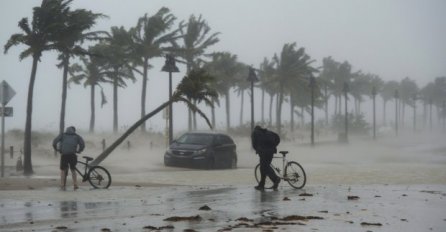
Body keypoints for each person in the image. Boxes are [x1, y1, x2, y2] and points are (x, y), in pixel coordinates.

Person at [53, 126, 85, 191]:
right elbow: (82, 144)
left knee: (63, 170)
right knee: (73, 169)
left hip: (64, 155)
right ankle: (75, 184)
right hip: (72, 154)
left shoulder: (62, 135)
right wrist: (79, 150)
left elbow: (54, 142)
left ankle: (62, 185)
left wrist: (56, 149)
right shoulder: (77, 136)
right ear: (74, 130)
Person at [251, 125, 281, 191]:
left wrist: (258, 149)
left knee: (265, 166)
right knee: (263, 167)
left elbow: (253, 144)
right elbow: (277, 138)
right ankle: (261, 185)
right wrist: (274, 145)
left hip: (263, 152)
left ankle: (275, 178)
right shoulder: (268, 132)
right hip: (271, 151)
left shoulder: (254, 132)